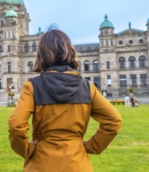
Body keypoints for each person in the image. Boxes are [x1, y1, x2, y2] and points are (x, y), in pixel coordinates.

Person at [8, 28, 122, 172]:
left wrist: (28, 150)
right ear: (69, 51)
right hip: (77, 163)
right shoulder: (87, 87)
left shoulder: (32, 86)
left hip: (41, 163)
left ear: (41, 54)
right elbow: (114, 120)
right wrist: (91, 146)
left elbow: (16, 125)